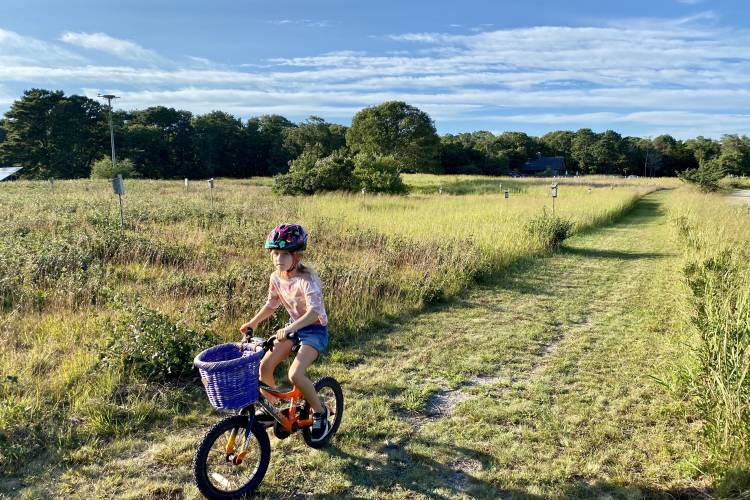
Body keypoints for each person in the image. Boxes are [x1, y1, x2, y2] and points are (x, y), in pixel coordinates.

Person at [240, 223, 330, 439]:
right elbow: (271, 304)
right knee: (265, 366)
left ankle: (320, 413)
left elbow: (314, 313)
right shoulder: (276, 277)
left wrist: (290, 327)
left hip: (314, 331)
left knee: (295, 374)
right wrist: (252, 323)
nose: (278, 258)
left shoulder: (307, 279)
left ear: (296, 256)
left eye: (284, 254)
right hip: (293, 329)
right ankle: (271, 410)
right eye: (275, 253)